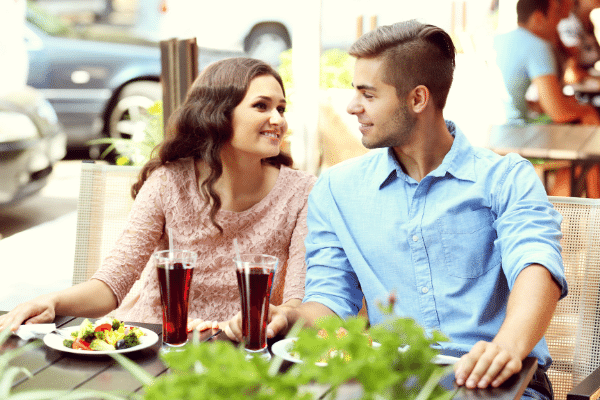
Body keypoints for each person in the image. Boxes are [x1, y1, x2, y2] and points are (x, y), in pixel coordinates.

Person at [227, 20, 567, 399]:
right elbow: (331, 301)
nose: (352, 106)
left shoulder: (505, 178)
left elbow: (537, 267)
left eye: (368, 94)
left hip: (497, 383)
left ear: (417, 99)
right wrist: (289, 316)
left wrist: (506, 347)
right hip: (389, 384)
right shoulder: (337, 190)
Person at [0, 57, 316, 333]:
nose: (278, 120)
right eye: (261, 105)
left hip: (246, 347)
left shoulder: (302, 192)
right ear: (218, 113)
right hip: (155, 339)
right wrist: (53, 301)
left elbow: (298, 298)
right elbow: (112, 284)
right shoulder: (168, 182)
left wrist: (282, 318)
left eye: (281, 108)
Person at [493, 0, 600, 124]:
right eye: (555, 14)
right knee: (588, 113)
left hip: (496, 128)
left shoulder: (501, 39)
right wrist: (587, 110)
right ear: (538, 18)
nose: (558, 22)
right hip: (518, 131)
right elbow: (559, 113)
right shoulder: (536, 45)